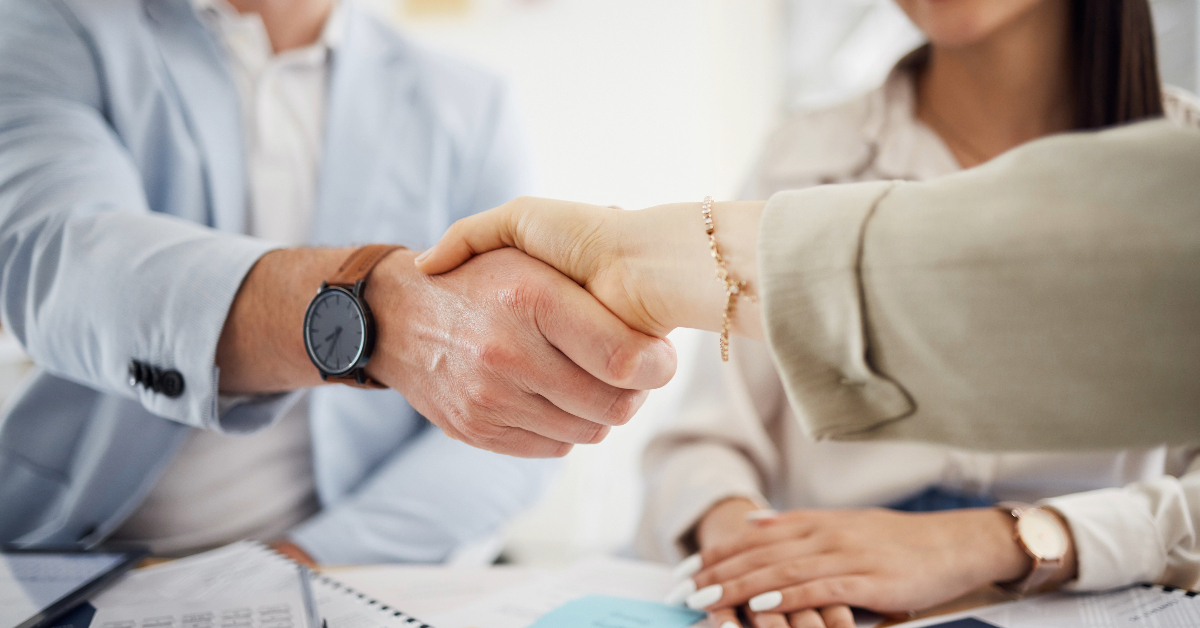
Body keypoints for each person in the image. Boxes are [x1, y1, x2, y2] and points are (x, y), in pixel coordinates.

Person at [413, 0, 1200, 622]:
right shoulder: (803, 157)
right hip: (821, 595)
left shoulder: (1180, 175)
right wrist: (750, 549)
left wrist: (1000, 540)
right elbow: (702, 445)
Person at [0, 0, 675, 563]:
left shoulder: (468, 105)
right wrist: (372, 311)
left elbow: (512, 422)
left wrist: (316, 560)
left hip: (339, 565)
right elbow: (59, 258)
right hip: (75, 551)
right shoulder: (52, 25)